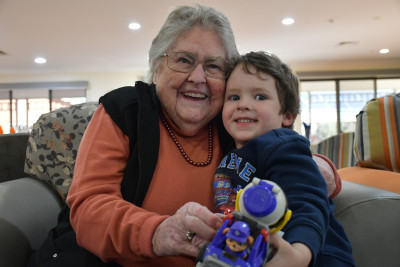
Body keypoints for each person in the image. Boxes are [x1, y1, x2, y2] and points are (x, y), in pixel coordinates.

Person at [28, 5, 340, 267]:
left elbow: (284, 150)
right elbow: (90, 205)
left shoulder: (229, 118)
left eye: (214, 66)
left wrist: (321, 167)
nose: (198, 78)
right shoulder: (126, 110)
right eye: (184, 60)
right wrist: (158, 232)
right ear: (157, 66)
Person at [213, 51, 355, 266]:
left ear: (287, 115)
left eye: (260, 96)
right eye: (234, 97)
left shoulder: (284, 145)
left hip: (315, 257)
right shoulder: (234, 153)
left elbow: (307, 203)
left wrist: (299, 253)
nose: (243, 104)